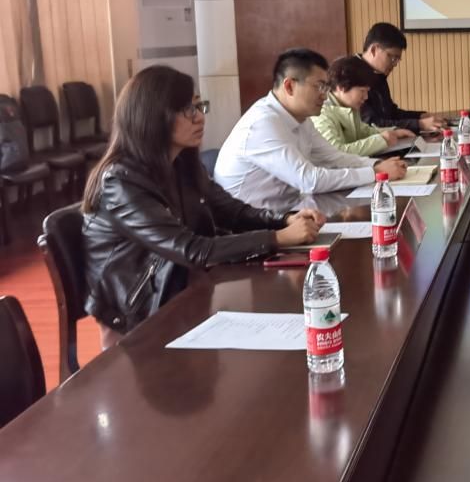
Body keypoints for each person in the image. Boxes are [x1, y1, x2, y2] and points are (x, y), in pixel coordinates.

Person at [82, 65, 324, 349]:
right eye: (187, 109)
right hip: (138, 318)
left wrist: (284, 220)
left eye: (199, 106)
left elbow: (232, 212)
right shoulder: (121, 181)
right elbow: (191, 249)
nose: (199, 117)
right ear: (152, 116)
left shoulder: (181, 163)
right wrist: (278, 238)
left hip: (183, 291)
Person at [215, 48, 406, 211]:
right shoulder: (263, 124)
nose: (325, 96)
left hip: (289, 213)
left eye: (326, 87)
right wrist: (375, 173)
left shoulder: (302, 119)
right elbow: (309, 180)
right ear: (289, 86)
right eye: (319, 87)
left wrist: (376, 165)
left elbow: (334, 158)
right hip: (248, 226)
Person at [313, 55, 413, 157]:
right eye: (362, 91)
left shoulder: (347, 107)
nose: (366, 97)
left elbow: (364, 132)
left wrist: (394, 132)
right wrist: (382, 140)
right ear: (341, 87)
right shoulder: (321, 113)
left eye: (367, 91)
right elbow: (336, 153)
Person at [357, 23, 446, 133]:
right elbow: (372, 124)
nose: (395, 64)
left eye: (397, 60)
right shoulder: (352, 75)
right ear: (374, 50)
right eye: (392, 58)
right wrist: (419, 124)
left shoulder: (378, 74)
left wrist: (420, 116)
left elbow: (391, 113)